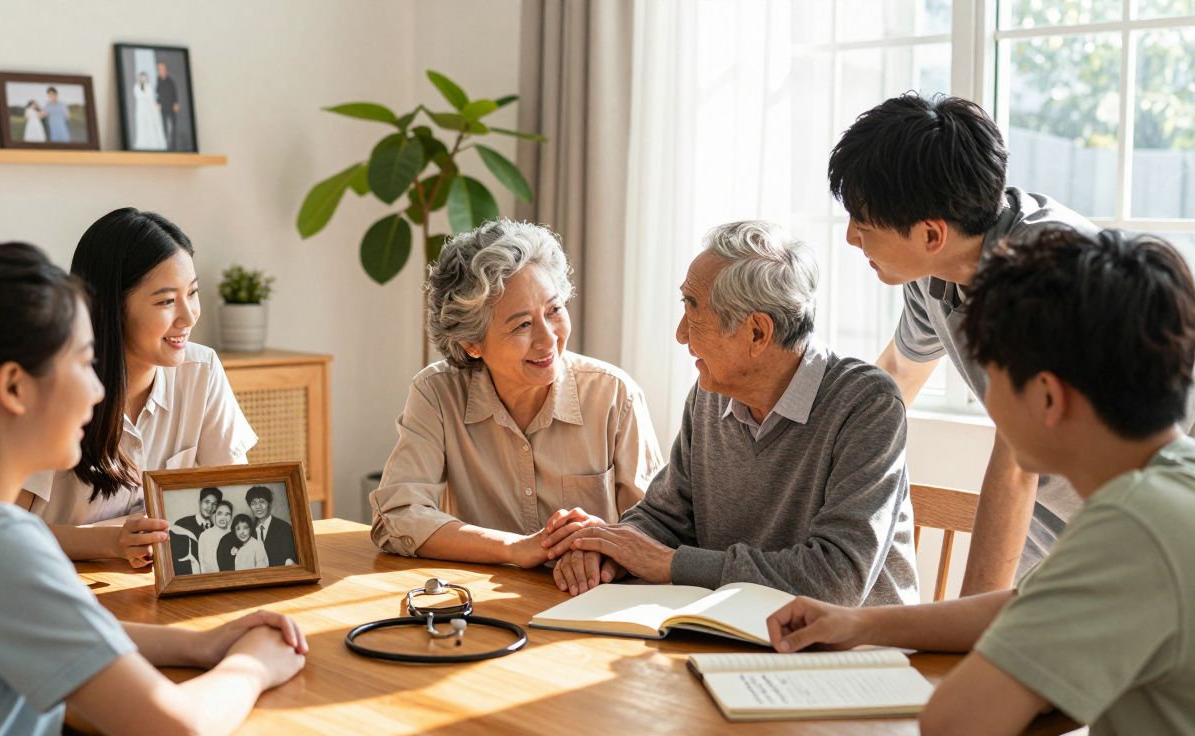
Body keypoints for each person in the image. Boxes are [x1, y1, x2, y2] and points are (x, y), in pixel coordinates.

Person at [766, 227, 1195, 736]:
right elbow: (1024, 607)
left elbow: (953, 722)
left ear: (1047, 398)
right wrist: (860, 623)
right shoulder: (1170, 487)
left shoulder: (1131, 525)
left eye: (990, 379)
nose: (988, 402)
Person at [0, 240, 306, 735]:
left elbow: (53, 629)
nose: (99, 389)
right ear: (14, 387)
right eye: (84, 363)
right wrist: (254, 664)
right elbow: (177, 728)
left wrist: (201, 644)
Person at [829, 92, 1195, 593]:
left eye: (864, 224)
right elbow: (897, 376)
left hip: (1155, 493)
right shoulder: (931, 270)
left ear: (931, 235)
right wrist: (833, 482)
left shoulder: (1042, 274)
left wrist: (970, 621)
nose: (851, 238)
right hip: (1064, 494)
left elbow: (1017, 466)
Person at [547, 221, 918, 605]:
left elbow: (836, 581)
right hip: (731, 625)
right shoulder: (711, 395)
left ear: (757, 332)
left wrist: (672, 564)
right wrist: (608, 549)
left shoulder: (866, 404)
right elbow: (665, 517)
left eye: (692, 310)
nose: (680, 334)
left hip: (848, 640)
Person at [369, 219, 664, 570]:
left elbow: (655, 531)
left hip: (593, 596)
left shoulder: (614, 395)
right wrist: (515, 548)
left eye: (554, 310)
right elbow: (398, 516)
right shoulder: (437, 394)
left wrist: (604, 558)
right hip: (479, 597)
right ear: (472, 344)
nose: (548, 338)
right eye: (522, 325)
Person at [19, 208, 257, 568]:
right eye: (166, 301)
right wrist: (108, 542)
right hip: (59, 579)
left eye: (192, 293)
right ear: (111, 307)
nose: (189, 316)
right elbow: (0, 530)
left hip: (156, 582)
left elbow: (237, 497)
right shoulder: (50, 386)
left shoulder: (201, 370)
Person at [171, 487, 221, 575]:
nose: (210, 507)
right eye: (207, 502)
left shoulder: (216, 529)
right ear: (200, 502)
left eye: (214, 504)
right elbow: (174, 558)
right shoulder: (182, 524)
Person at [246, 485, 295, 566]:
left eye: (262, 502)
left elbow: (290, 559)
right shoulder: (248, 531)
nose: (258, 507)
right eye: (253, 503)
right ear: (250, 506)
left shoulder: (284, 527)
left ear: (269, 504)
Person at [132, 71, 167, 150]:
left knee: (150, 124)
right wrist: (144, 96)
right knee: (142, 124)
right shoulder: (137, 87)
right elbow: (139, 96)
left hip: (149, 108)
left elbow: (150, 97)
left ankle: (152, 141)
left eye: (144, 77)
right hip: (141, 108)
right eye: (141, 77)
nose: (143, 79)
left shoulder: (149, 86)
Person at [199, 500, 233, 573]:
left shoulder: (234, 535)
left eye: (227, 514)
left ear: (231, 517)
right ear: (215, 515)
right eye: (219, 514)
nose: (223, 517)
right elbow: (202, 562)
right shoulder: (205, 535)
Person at [156, 61, 179, 150]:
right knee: (163, 126)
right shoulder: (157, 81)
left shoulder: (170, 81)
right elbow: (156, 93)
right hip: (162, 107)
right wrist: (157, 102)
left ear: (165, 70)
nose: (161, 71)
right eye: (160, 69)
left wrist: (176, 103)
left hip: (171, 106)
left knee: (173, 126)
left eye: (163, 69)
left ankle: (173, 145)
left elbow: (174, 93)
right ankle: (165, 145)